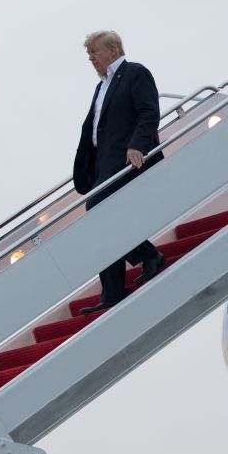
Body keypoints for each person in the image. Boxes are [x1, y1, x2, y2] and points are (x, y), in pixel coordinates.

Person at [72, 30, 166, 313]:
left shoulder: (135, 73)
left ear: (113, 50)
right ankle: (112, 291)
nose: (91, 58)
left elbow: (149, 112)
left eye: (94, 52)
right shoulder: (101, 86)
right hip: (104, 165)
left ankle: (149, 256)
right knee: (105, 223)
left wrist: (138, 145)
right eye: (88, 54)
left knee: (99, 216)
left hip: (128, 160)